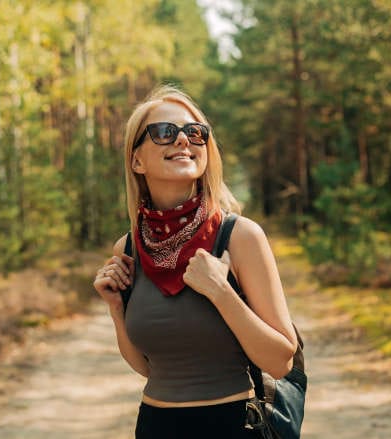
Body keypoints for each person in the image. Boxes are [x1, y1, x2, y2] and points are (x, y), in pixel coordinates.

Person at [93, 85, 299, 439]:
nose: (183, 141)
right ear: (136, 160)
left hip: (233, 426)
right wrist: (116, 310)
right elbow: (149, 368)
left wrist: (221, 291)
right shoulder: (128, 246)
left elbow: (281, 361)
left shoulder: (240, 237)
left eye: (195, 133)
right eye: (164, 132)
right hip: (156, 426)